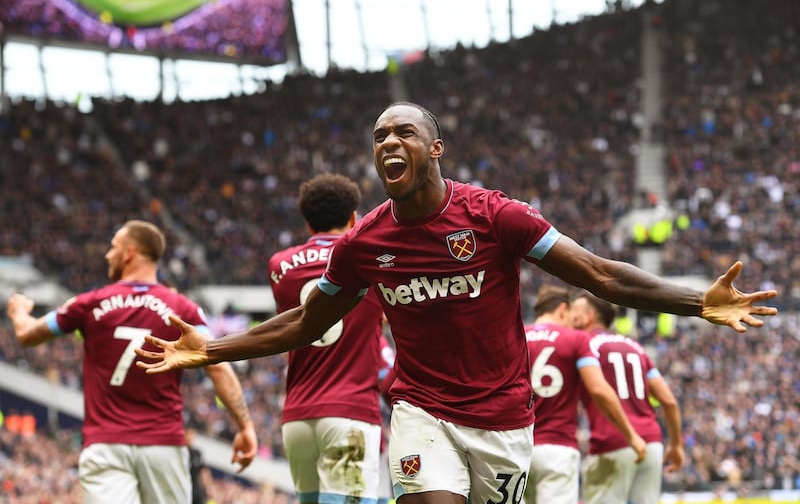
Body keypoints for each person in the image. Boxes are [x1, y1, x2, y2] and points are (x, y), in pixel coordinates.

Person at [135, 102, 777, 504]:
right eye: (380, 135)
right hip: (421, 411)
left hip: (503, 418)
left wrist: (699, 302)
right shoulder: (363, 244)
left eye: (404, 133)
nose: (388, 142)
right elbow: (306, 321)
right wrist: (209, 347)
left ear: (433, 148)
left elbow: (601, 276)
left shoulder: (496, 217)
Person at [5, 219, 257, 504]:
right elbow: (217, 364)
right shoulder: (182, 309)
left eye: (113, 247)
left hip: (106, 445)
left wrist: (18, 312)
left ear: (129, 252)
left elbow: (27, 334)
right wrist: (245, 427)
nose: (107, 254)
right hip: (164, 447)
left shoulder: (89, 303)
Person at [268, 173, 389, 504]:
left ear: (308, 224)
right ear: (353, 217)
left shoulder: (280, 266)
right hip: (349, 412)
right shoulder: (368, 258)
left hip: (296, 415)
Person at [523, 285, 646, 504]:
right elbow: (599, 389)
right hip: (557, 449)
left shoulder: (517, 336)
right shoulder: (575, 339)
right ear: (562, 310)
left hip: (518, 447)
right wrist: (631, 435)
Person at [571, 291, 684, 504]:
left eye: (574, 312)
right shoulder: (636, 347)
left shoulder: (583, 344)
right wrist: (676, 445)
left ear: (588, 317)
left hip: (613, 442)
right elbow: (668, 400)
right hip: (652, 444)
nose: (569, 316)